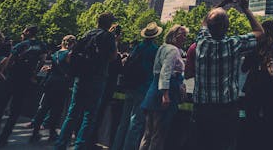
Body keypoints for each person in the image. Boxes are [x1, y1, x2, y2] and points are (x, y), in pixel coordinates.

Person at [190, 0, 263, 150]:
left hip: (202, 110)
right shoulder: (233, 44)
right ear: (227, 27)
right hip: (226, 111)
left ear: (208, 26)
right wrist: (245, 8)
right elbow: (260, 32)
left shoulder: (201, 42)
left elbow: (205, 20)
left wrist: (225, 1)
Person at [55, 12, 118, 150]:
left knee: (72, 114)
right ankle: (79, 146)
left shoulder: (87, 34)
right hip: (97, 78)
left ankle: (60, 145)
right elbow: (113, 56)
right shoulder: (108, 36)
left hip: (81, 78)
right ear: (110, 24)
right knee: (89, 116)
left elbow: (71, 55)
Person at [0, 26, 47, 147]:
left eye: (23, 32)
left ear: (28, 32)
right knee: (15, 112)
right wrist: (34, 73)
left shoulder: (20, 45)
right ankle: (3, 139)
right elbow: (43, 60)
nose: (21, 35)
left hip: (12, 78)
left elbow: (9, 61)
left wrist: (6, 72)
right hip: (25, 81)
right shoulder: (41, 45)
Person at [112, 22, 162, 150]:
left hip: (130, 86)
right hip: (143, 89)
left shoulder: (137, 47)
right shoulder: (155, 50)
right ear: (155, 36)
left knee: (123, 122)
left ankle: (116, 146)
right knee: (136, 123)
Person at [139, 24, 187, 150]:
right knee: (158, 135)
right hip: (164, 94)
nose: (185, 38)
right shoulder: (173, 51)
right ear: (175, 36)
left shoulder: (163, 47)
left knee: (148, 133)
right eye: (183, 35)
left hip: (153, 91)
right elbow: (165, 72)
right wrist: (165, 95)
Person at [242, 20, 273, 146]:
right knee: (270, 123)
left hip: (253, 88)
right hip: (271, 89)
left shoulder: (254, 48)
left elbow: (244, 68)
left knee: (251, 122)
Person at [30, 35, 76, 143]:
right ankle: (52, 134)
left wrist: (50, 68)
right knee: (57, 109)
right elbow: (71, 69)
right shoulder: (69, 54)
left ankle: (35, 133)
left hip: (50, 82)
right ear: (72, 43)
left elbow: (56, 66)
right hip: (61, 85)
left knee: (44, 107)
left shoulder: (56, 53)